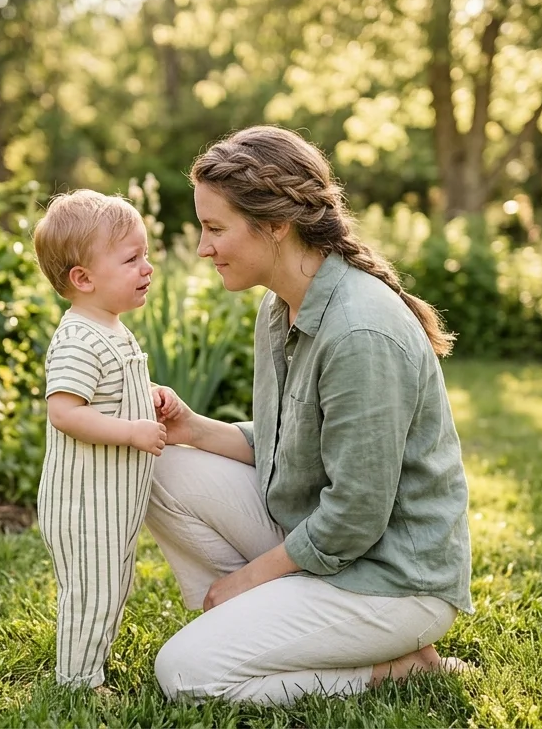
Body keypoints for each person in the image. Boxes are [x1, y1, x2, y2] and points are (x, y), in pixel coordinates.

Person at [145, 125, 473, 705]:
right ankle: (260, 624)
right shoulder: (281, 308)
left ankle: (396, 669)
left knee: (186, 675)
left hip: (393, 580)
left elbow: (354, 515)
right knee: (160, 466)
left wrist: (245, 580)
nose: (202, 248)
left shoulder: (359, 332)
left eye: (215, 228)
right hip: (328, 543)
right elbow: (289, 443)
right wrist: (191, 429)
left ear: (276, 224)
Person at [31, 190, 180, 688]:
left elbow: (111, 393)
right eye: (132, 259)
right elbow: (65, 412)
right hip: (85, 503)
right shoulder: (78, 339)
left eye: (146, 255)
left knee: (113, 583)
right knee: (91, 591)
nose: (147, 268)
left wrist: (148, 396)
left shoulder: (110, 328)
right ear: (83, 278)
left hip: (111, 501)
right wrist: (133, 431)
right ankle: (77, 681)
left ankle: (92, 662)